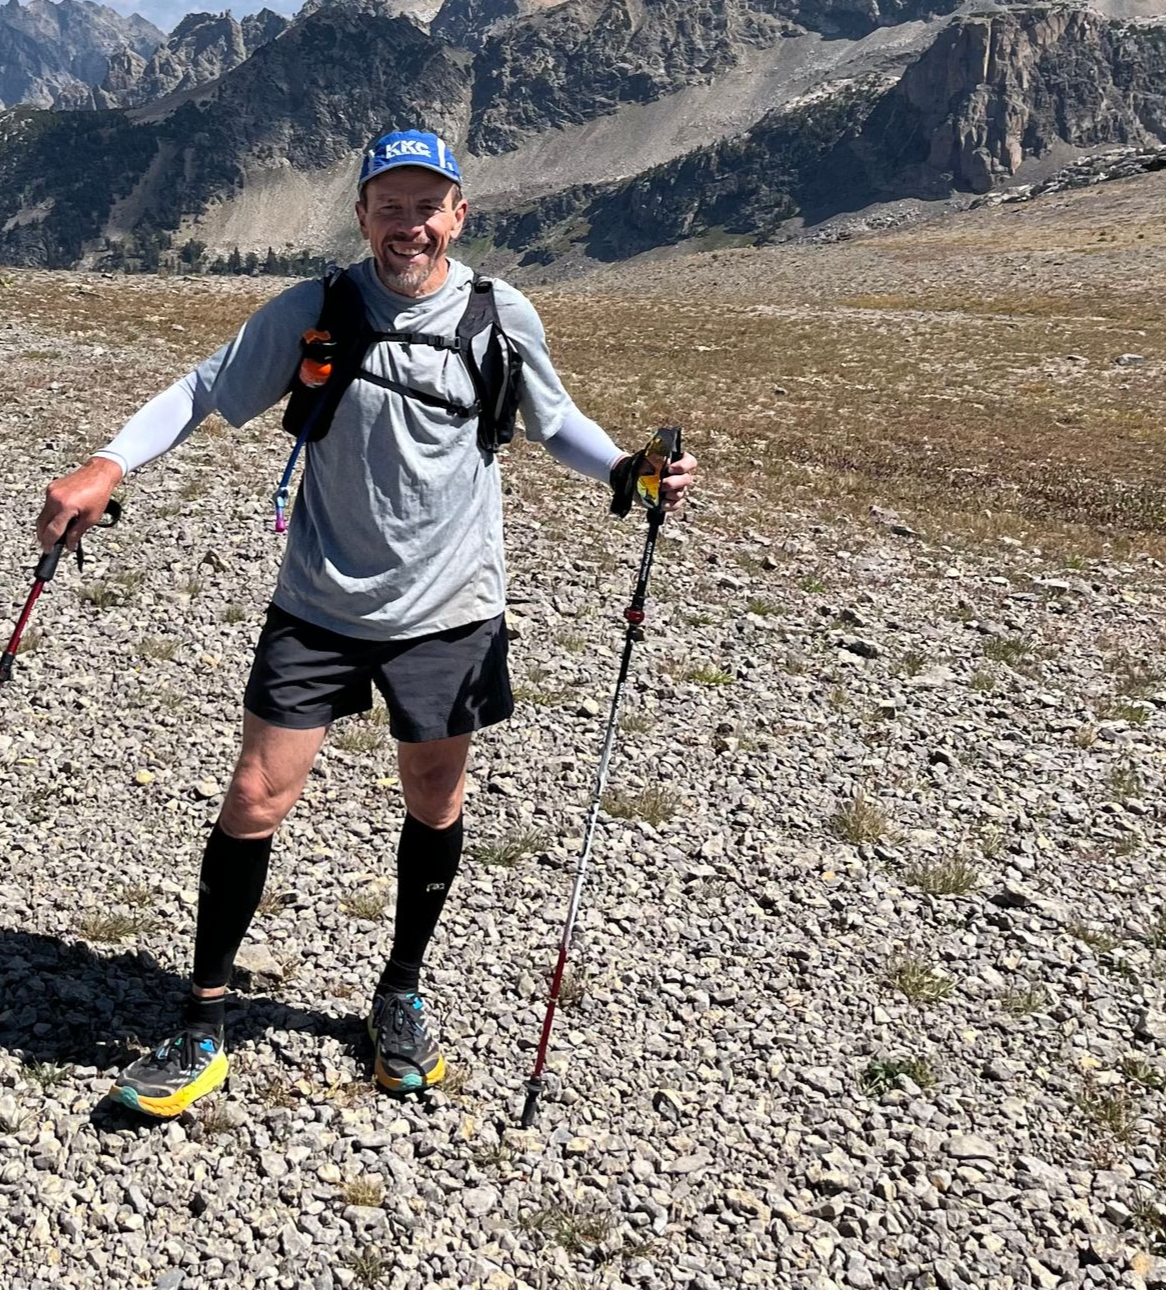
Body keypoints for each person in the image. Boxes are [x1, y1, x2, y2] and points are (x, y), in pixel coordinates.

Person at [36, 127, 696, 1117]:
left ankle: (399, 991)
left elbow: (551, 419)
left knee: (435, 793)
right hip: (319, 601)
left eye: (427, 205)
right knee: (257, 793)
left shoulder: (497, 314)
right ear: (362, 215)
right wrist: (106, 464)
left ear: (458, 214)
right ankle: (206, 1017)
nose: (409, 224)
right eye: (389, 205)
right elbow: (203, 389)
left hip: (452, 610)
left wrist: (624, 468)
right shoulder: (319, 309)